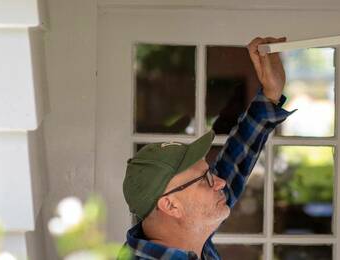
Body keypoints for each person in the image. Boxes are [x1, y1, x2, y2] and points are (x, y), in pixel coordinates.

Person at [122, 36, 292, 260]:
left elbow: (235, 160)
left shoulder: (185, 233)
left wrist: (271, 94)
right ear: (171, 205)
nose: (221, 182)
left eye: (210, 174)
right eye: (206, 179)